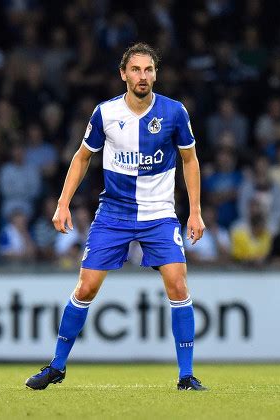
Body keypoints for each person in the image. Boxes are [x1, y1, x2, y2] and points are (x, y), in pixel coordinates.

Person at [25, 43, 207, 391]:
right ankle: (57, 367)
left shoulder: (174, 112)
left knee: (179, 284)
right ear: (123, 74)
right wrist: (63, 203)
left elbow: (190, 160)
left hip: (159, 215)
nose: (143, 76)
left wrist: (195, 211)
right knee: (86, 287)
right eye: (136, 69)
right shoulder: (105, 113)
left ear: (156, 73)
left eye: (149, 69)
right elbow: (82, 157)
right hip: (114, 215)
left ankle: (186, 376)